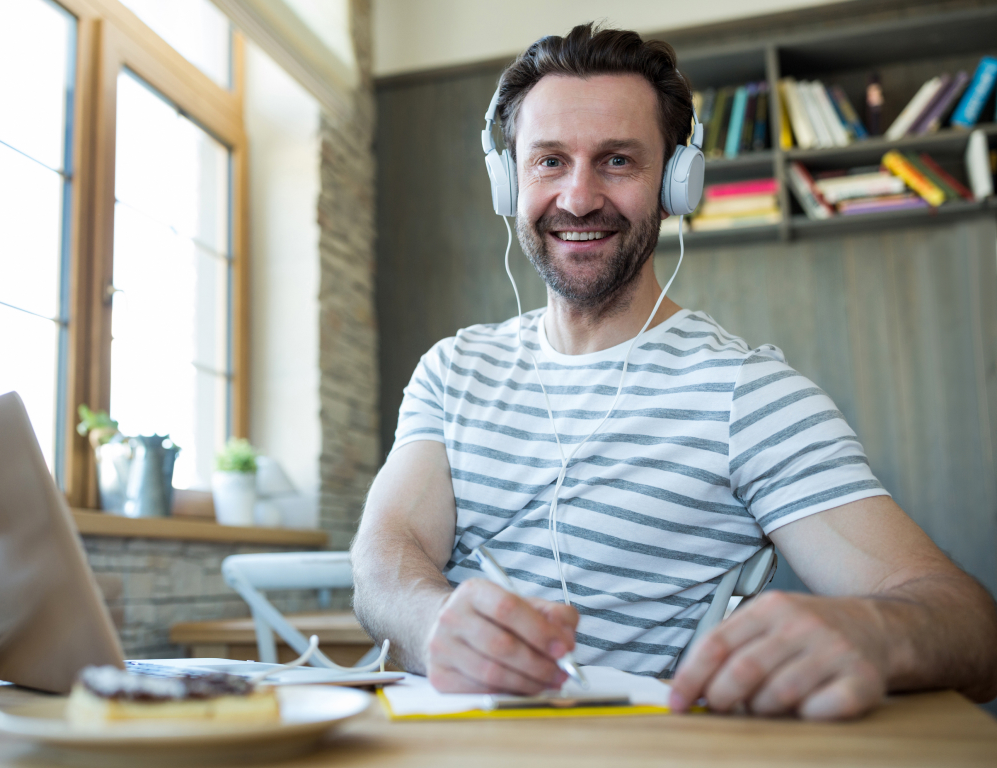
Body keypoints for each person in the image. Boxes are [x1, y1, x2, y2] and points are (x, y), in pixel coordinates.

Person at [351, 23, 997, 720]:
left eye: (618, 161)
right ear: (507, 180)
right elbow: (387, 550)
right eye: (548, 162)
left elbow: (971, 626)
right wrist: (429, 621)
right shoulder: (453, 370)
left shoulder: (749, 395)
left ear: (675, 184)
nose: (577, 197)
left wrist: (870, 631)